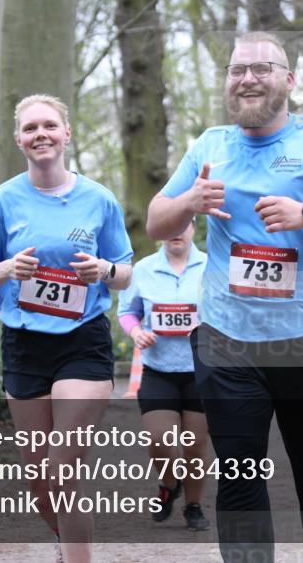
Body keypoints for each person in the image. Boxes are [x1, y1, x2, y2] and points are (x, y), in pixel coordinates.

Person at [146, 32, 303, 563]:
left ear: (288, 79)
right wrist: (190, 201)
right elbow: (155, 220)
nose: (248, 78)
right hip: (227, 340)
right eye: (238, 70)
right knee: (239, 466)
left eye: (261, 68)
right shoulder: (209, 146)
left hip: (302, 339)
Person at [0, 94, 133, 563]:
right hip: (23, 345)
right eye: (31, 128)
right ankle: (67, 542)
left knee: (63, 468)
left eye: (50, 126)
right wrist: (7, 270)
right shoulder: (3, 201)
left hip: (83, 342)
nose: (41, 134)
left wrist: (102, 269)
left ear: (66, 134)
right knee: (41, 482)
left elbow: (125, 272)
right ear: (19, 139)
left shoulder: (99, 199)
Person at [117, 218, 211, 531]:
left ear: (194, 228)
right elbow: (127, 312)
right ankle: (169, 483)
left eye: (184, 225)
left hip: (201, 371)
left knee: (195, 445)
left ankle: (194, 506)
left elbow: (228, 309)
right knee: (159, 439)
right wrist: (136, 332)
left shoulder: (212, 266)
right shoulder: (142, 269)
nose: (176, 231)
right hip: (159, 369)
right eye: (170, 226)